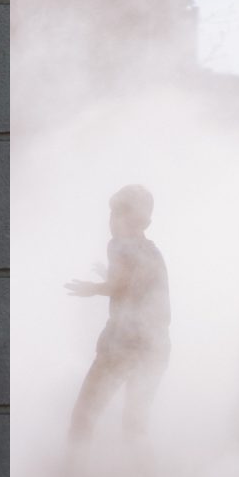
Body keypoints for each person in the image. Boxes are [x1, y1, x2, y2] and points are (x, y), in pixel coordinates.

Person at [65, 185, 171, 444]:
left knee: (84, 415)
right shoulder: (150, 250)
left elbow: (121, 285)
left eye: (114, 215)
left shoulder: (119, 245)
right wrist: (108, 276)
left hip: (123, 343)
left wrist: (93, 288)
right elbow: (136, 283)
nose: (111, 222)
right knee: (135, 423)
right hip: (156, 346)